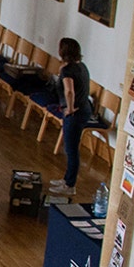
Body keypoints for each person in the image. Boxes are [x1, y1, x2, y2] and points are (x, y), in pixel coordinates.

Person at [52, 37, 93, 200]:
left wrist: (69, 109)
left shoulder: (67, 71)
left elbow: (69, 91)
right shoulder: (81, 66)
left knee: (71, 149)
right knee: (71, 148)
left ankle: (70, 185)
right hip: (85, 109)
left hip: (75, 113)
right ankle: (67, 179)